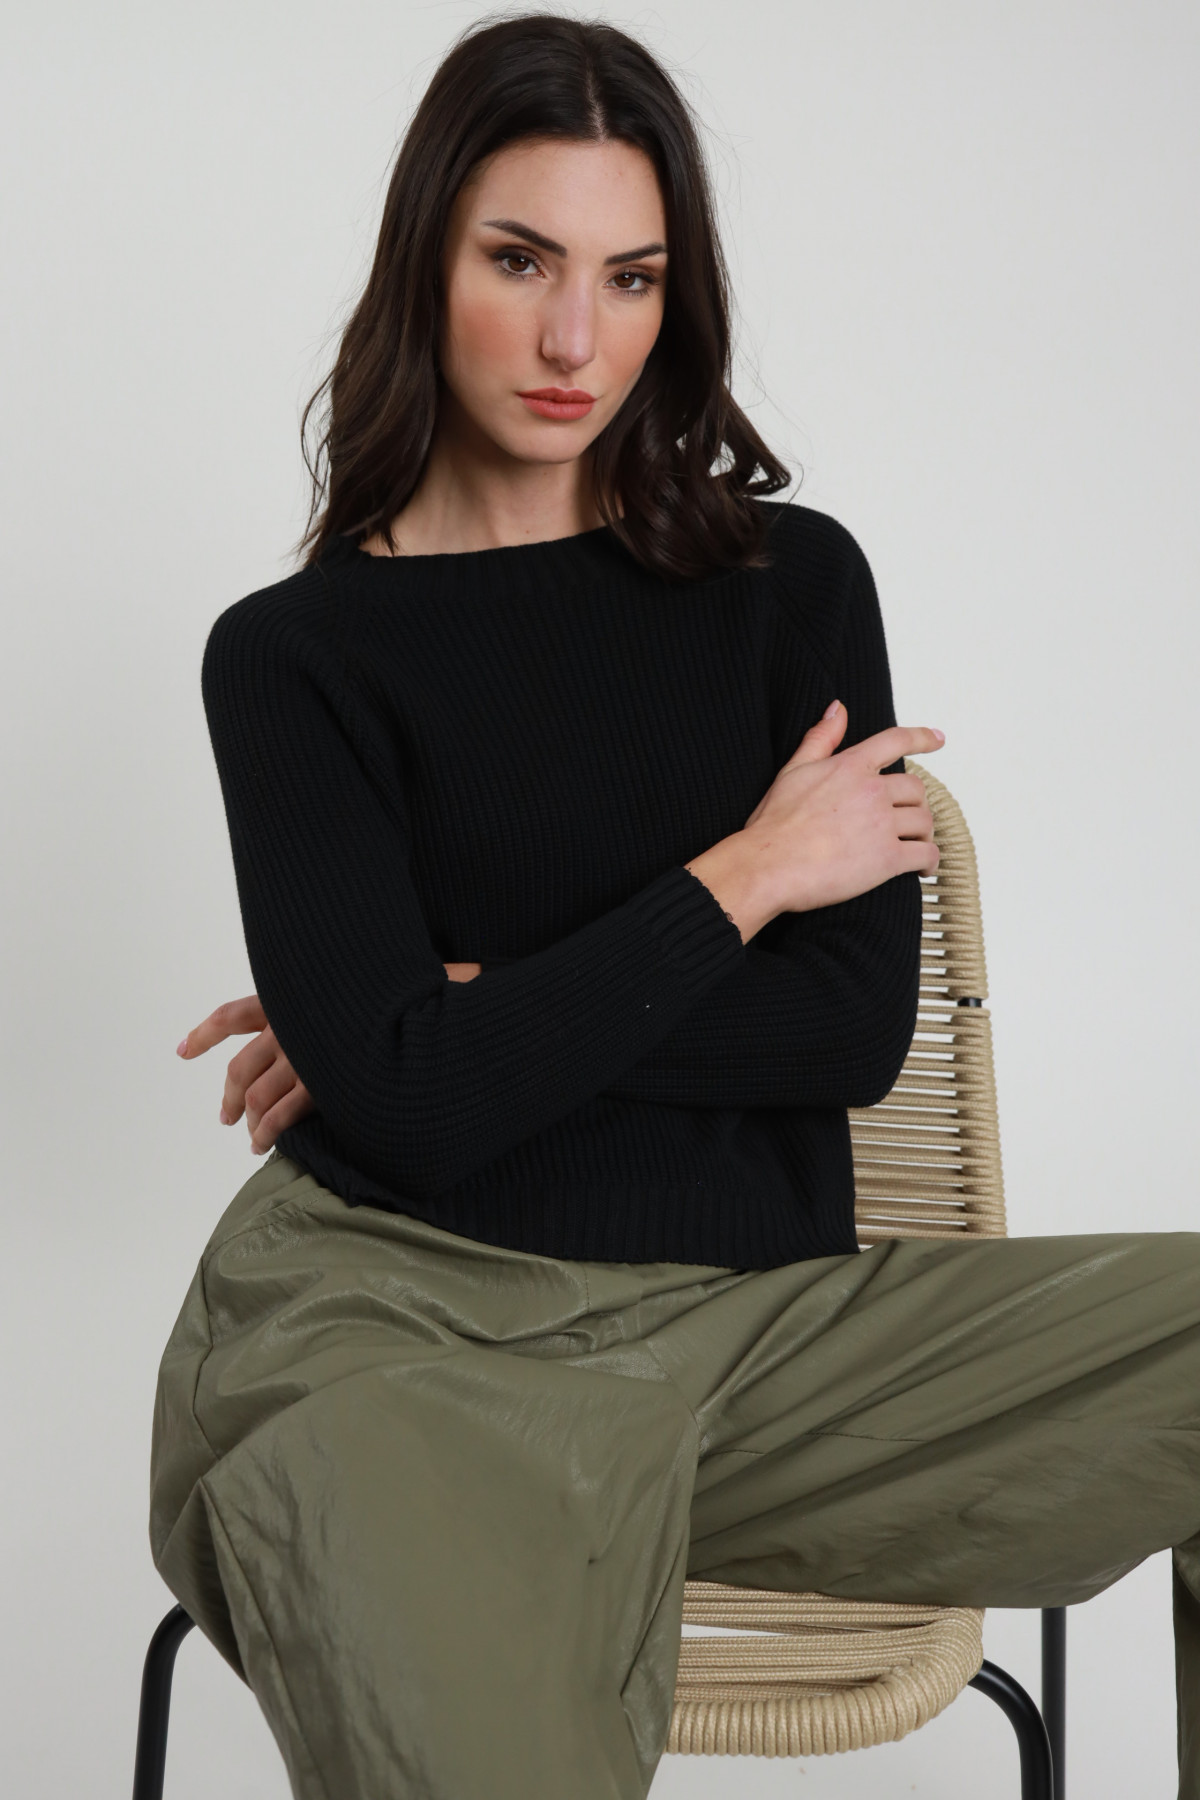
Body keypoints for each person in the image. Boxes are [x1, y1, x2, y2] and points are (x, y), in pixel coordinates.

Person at [151, 14, 1200, 1799]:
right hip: (399, 1337)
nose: (578, 339)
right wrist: (749, 874)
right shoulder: (295, 657)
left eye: (629, 278)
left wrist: (475, 1004)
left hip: (769, 1341)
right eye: (521, 262)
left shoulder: (793, 585)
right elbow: (412, 1103)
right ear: (425, 267)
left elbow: (846, 1033)